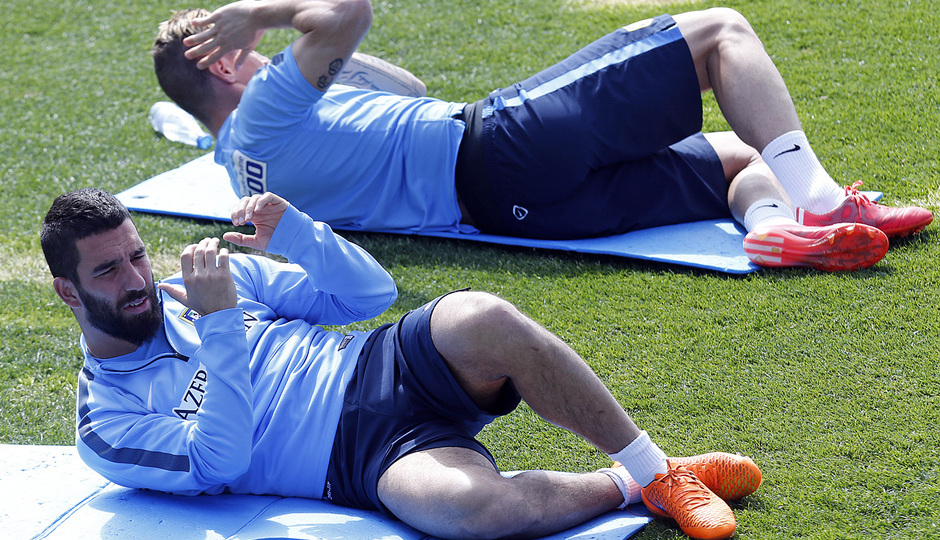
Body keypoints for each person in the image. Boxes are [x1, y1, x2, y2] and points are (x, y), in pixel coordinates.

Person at [43, 187, 763, 540]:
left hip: (381, 359)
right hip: (357, 459)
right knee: (467, 511)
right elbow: (222, 463)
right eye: (109, 271)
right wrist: (224, 322)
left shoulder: (203, 285)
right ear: (66, 290)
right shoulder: (106, 426)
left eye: (136, 255)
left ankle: (654, 465)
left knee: (481, 314)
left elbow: (369, 293)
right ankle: (638, 485)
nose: (137, 280)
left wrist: (298, 231)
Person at [151, 0, 931, 272]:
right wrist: (260, 13)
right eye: (242, 48)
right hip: (502, 144)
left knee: (738, 158)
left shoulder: (240, 169)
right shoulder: (267, 105)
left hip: (511, 212)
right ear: (223, 65)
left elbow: (404, 88)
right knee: (721, 33)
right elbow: (348, 9)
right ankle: (823, 203)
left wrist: (300, 54)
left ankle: (770, 229)